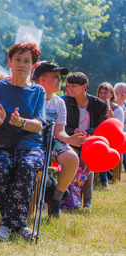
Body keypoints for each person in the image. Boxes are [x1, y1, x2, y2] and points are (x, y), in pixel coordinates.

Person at [0, 42, 46, 241]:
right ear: (9, 62)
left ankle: (6, 225)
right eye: (17, 59)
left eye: (26, 61)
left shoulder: (38, 91)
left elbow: (38, 125)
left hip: (30, 146)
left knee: (26, 166)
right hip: (1, 144)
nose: (21, 64)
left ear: (33, 66)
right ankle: (20, 225)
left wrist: (21, 122)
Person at [33, 61, 83, 217]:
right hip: (32, 143)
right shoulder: (30, 96)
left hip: (52, 143)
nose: (60, 81)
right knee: (36, 164)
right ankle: (51, 185)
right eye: (55, 77)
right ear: (42, 80)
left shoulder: (59, 102)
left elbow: (59, 131)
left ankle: (55, 199)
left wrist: (70, 140)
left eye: (60, 77)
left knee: (72, 158)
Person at [64, 72, 107, 208]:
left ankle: (87, 200)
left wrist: (87, 133)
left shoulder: (99, 105)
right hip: (71, 140)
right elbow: (62, 126)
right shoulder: (64, 102)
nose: (69, 89)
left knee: (87, 161)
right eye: (68, 86)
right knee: (73, 159)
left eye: (73, 86)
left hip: (91, 141)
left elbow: (102, 127)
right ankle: (71, 198)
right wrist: (74, 132)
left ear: (84, 87)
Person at [96, 82, 124, 189]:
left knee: (102, 147)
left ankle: (104, 180)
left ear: (111, 94)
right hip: (99, 135)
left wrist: (111, 119)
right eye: (101, 93)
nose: (103, 95)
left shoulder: (117, 109)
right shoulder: (97, 107)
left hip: (113, 138)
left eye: (105, 93)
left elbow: (118, 128)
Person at [114, 82, 126, 171]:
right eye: (121, 91)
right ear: (114, 92)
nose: (123, 94)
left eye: (125, 92)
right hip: (116, 137)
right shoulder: (111, 107)